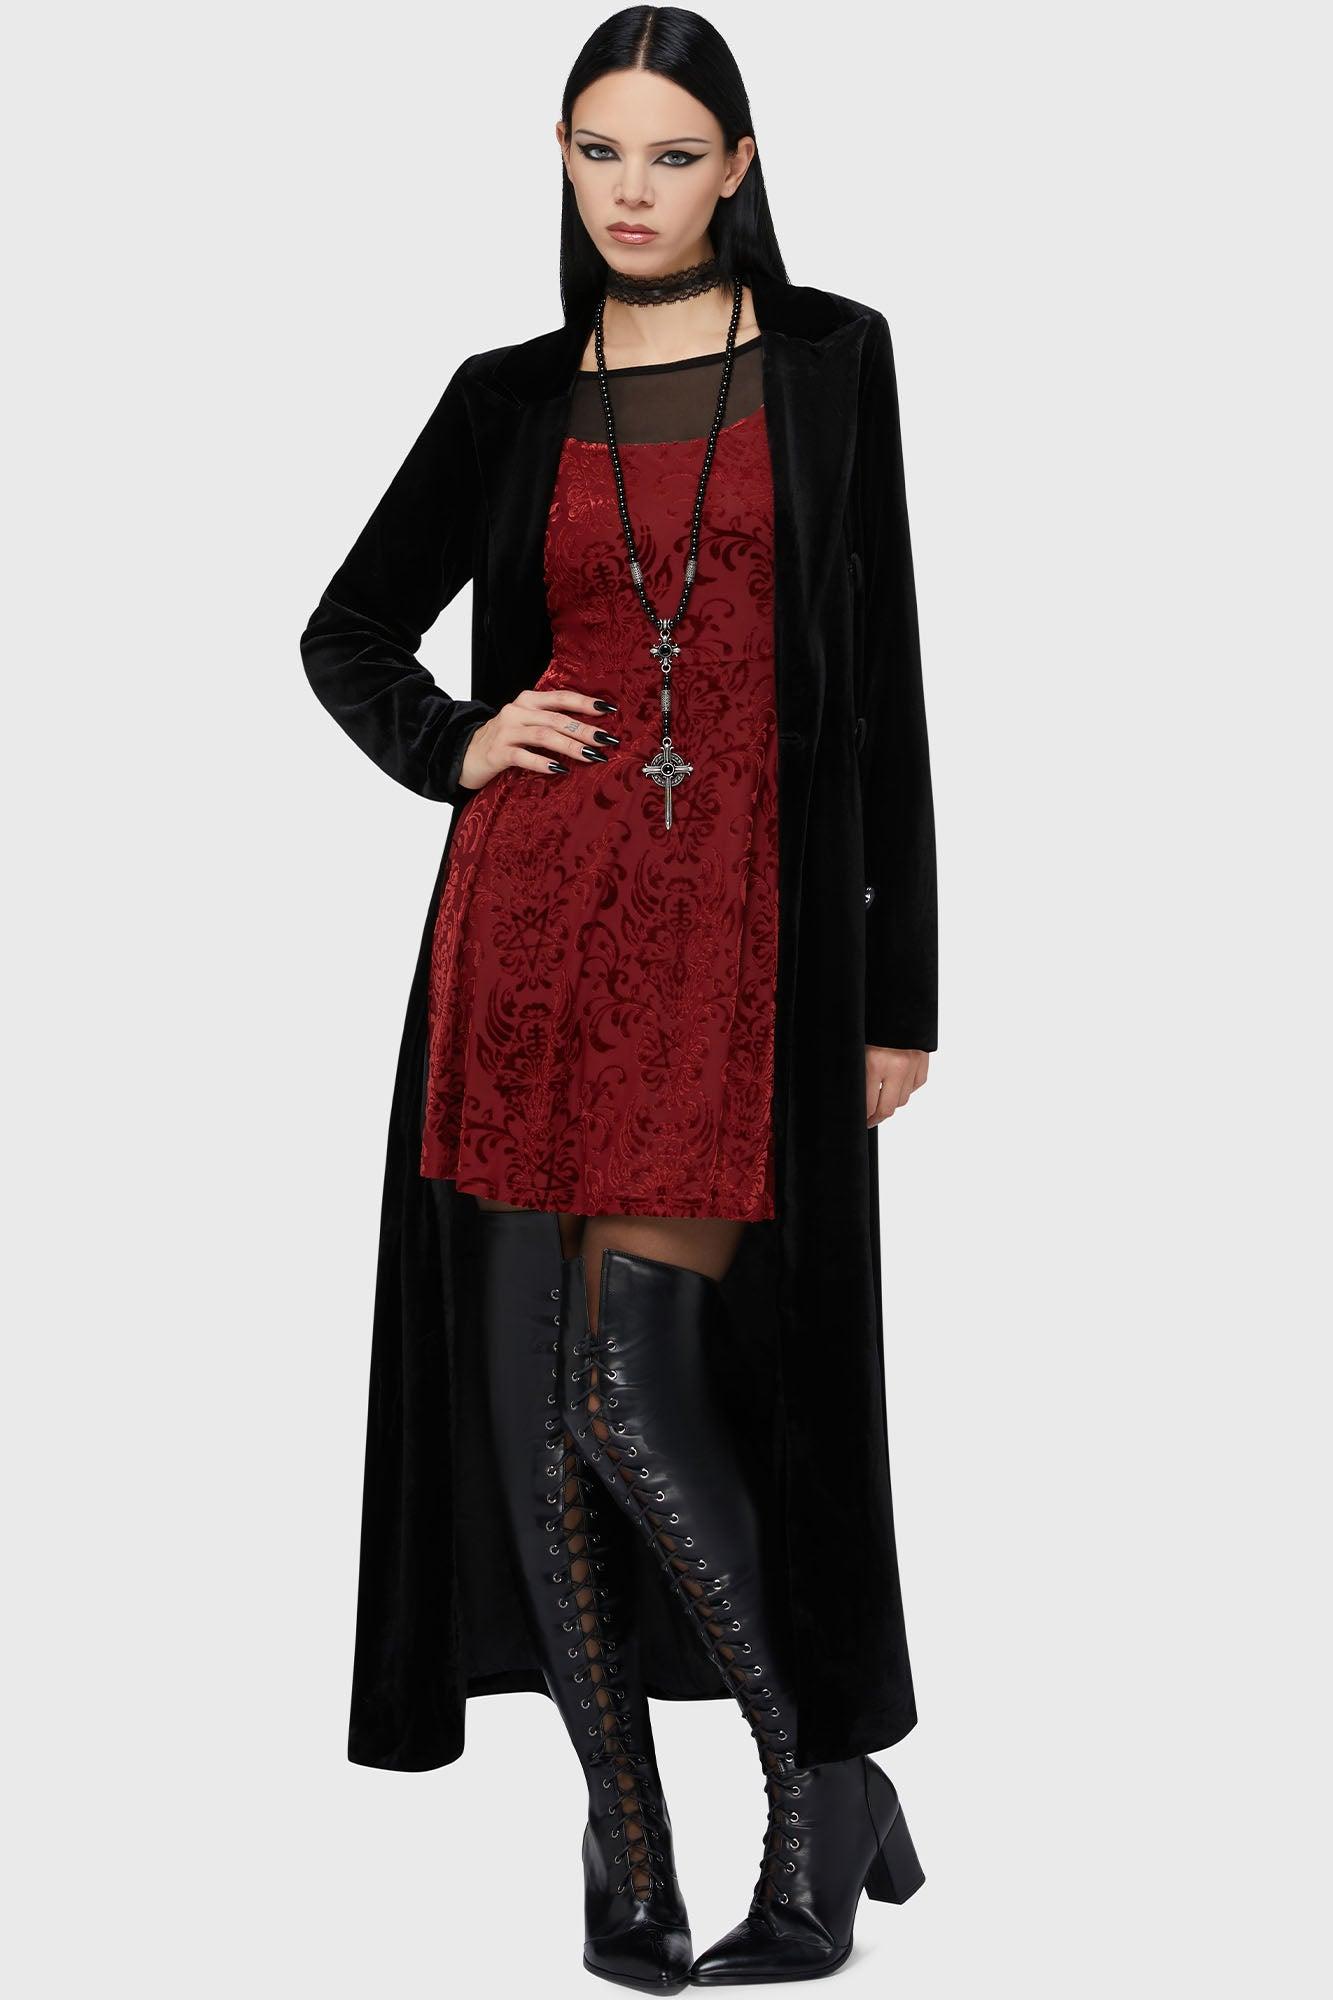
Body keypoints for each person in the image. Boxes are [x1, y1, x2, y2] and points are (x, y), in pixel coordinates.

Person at [300, 8, 937, 1990]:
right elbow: (344, 627)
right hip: (527, 934)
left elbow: (884, 688)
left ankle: (819, 1789)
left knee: (628, 1389)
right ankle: (625, 1843)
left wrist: (899, 985)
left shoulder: (830, 360)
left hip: (739, 948)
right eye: (598, 151)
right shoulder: (505, 396)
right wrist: (457, 739)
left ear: (737, 163)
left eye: (671, 153)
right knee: (534, 1411)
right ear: (560, 162)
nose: (631, 191)